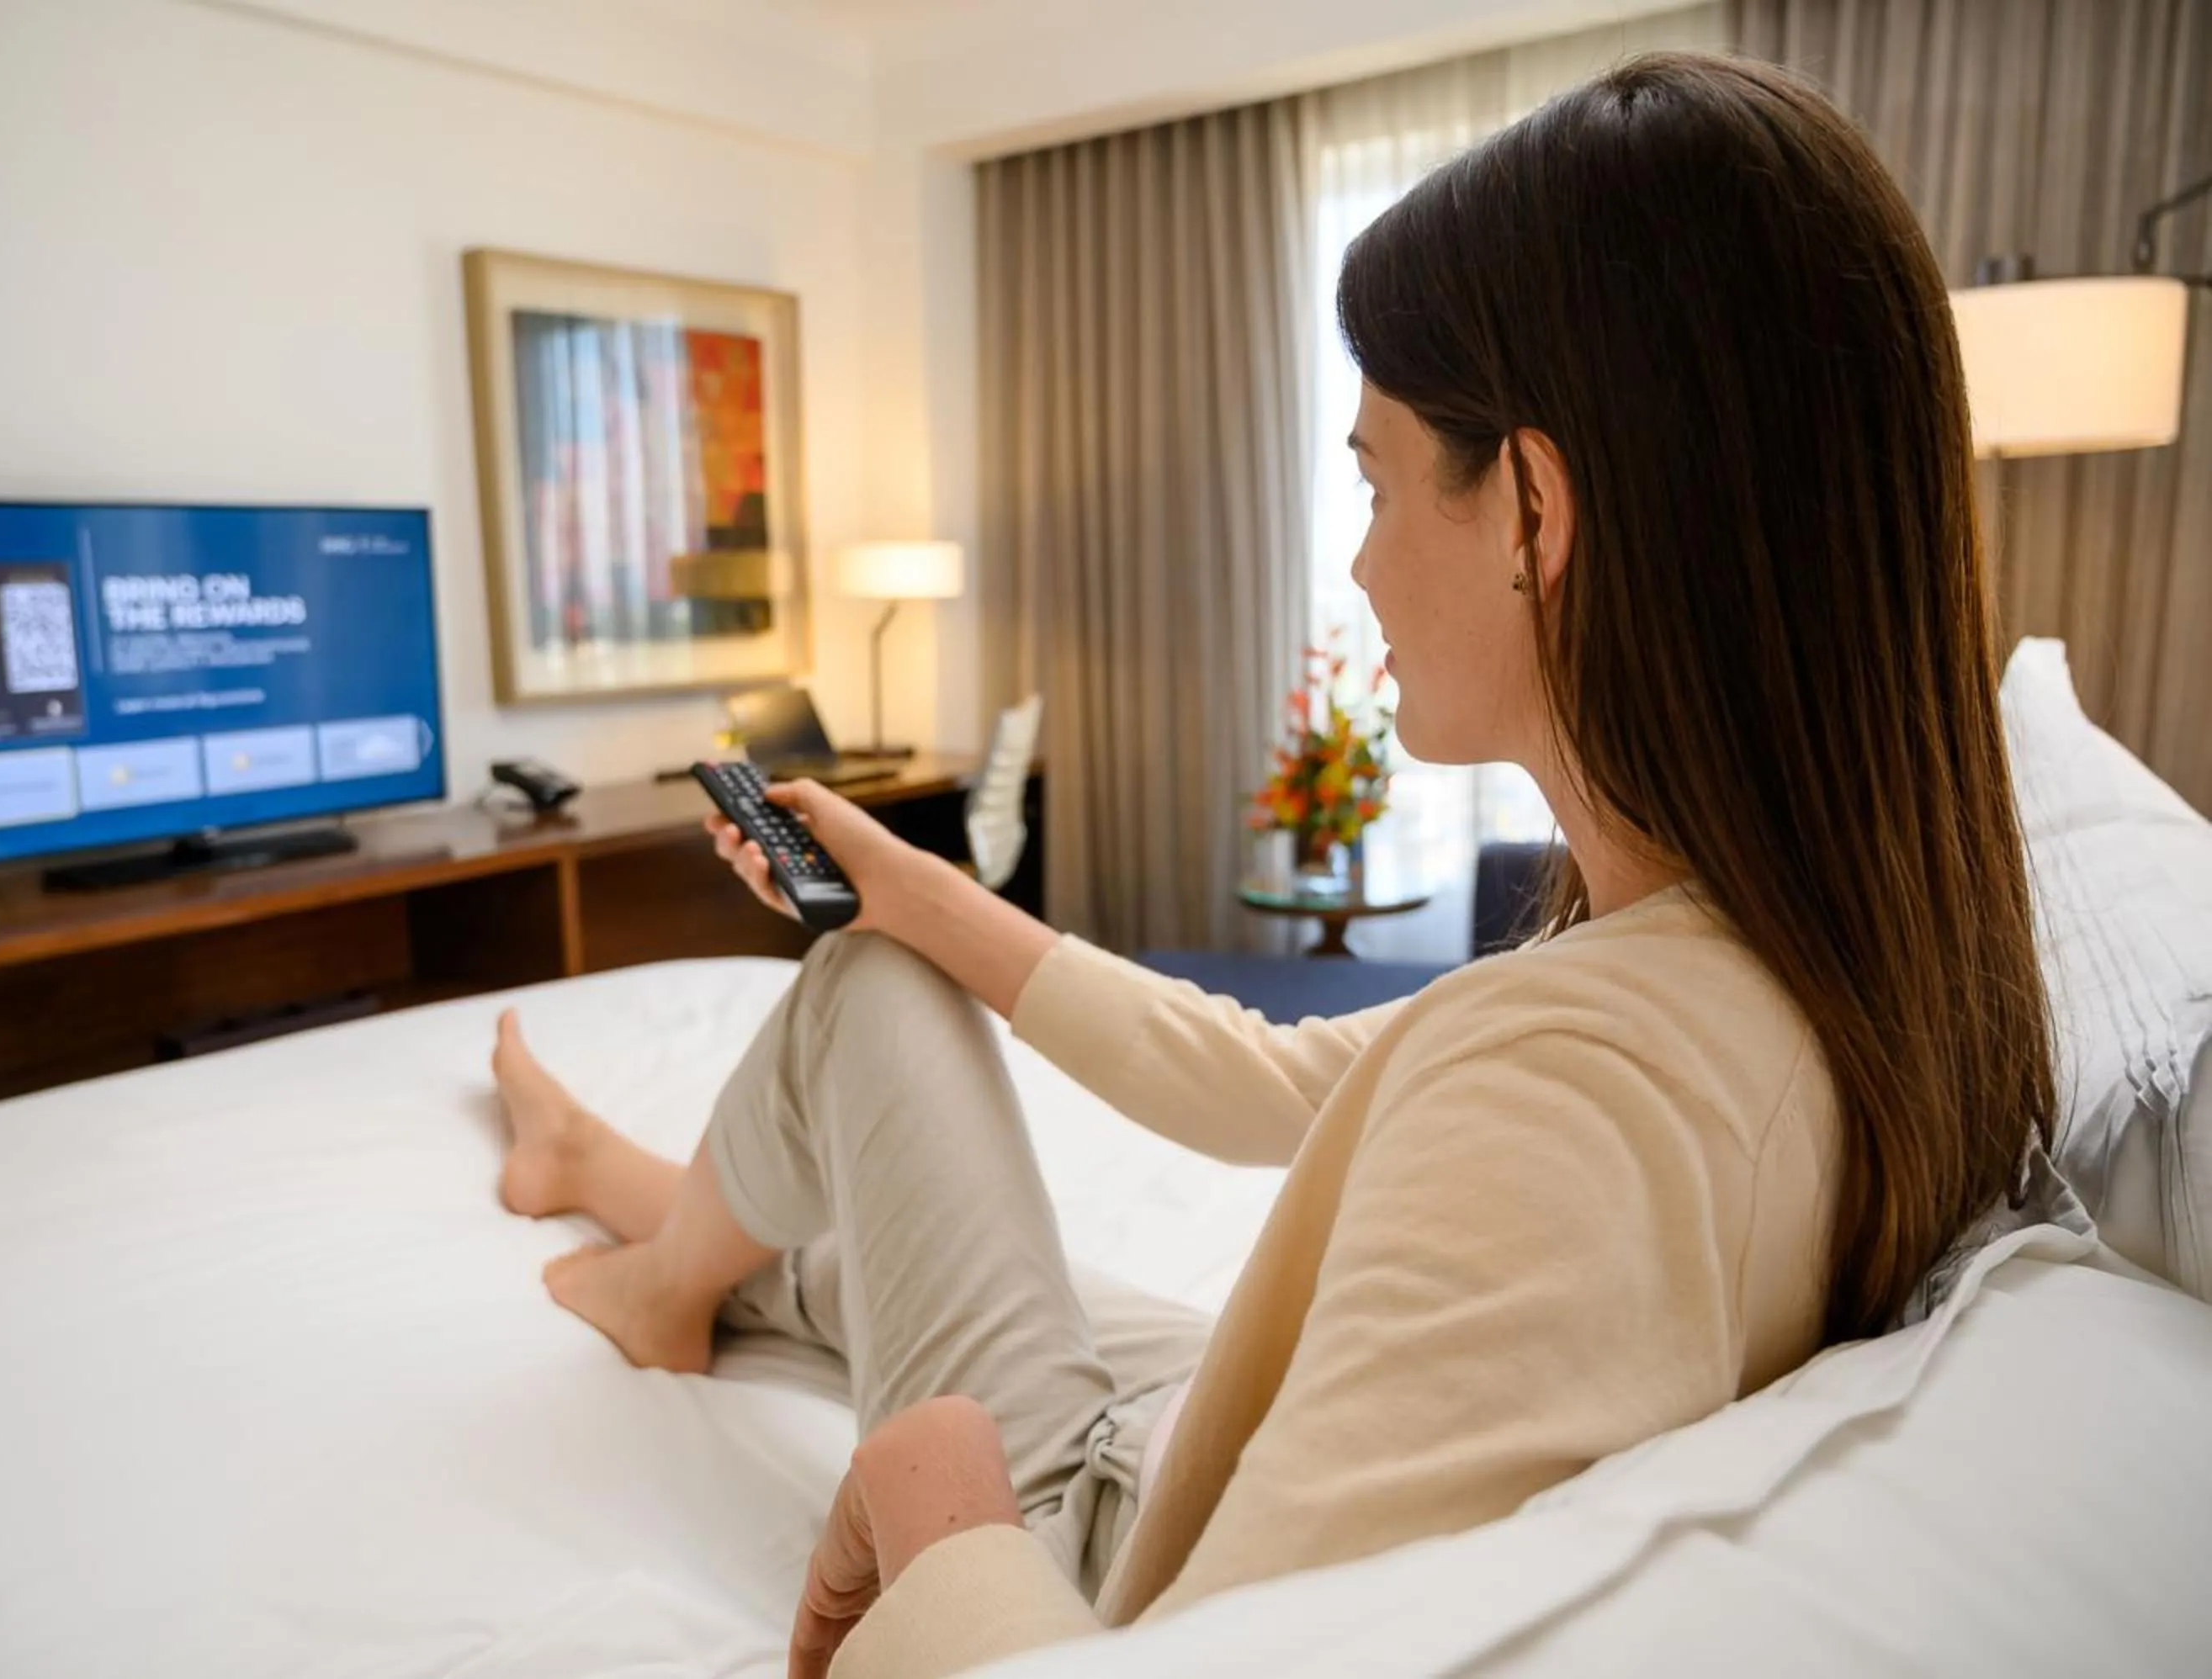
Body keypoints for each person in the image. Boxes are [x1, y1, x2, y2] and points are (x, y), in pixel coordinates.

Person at [491, 50, 2056, 1679]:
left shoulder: (1579, 1110)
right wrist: (927, 886)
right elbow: (1274, 1073)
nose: (1360, 559)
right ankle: (644, 1200)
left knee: (863, 995)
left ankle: (669, 1277)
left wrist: (944, 1512)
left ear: (1534, 507)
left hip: (1093, 1558)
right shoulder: (1787, 960)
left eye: (1374, 479)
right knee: (938, 1109)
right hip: (1209, 1436)